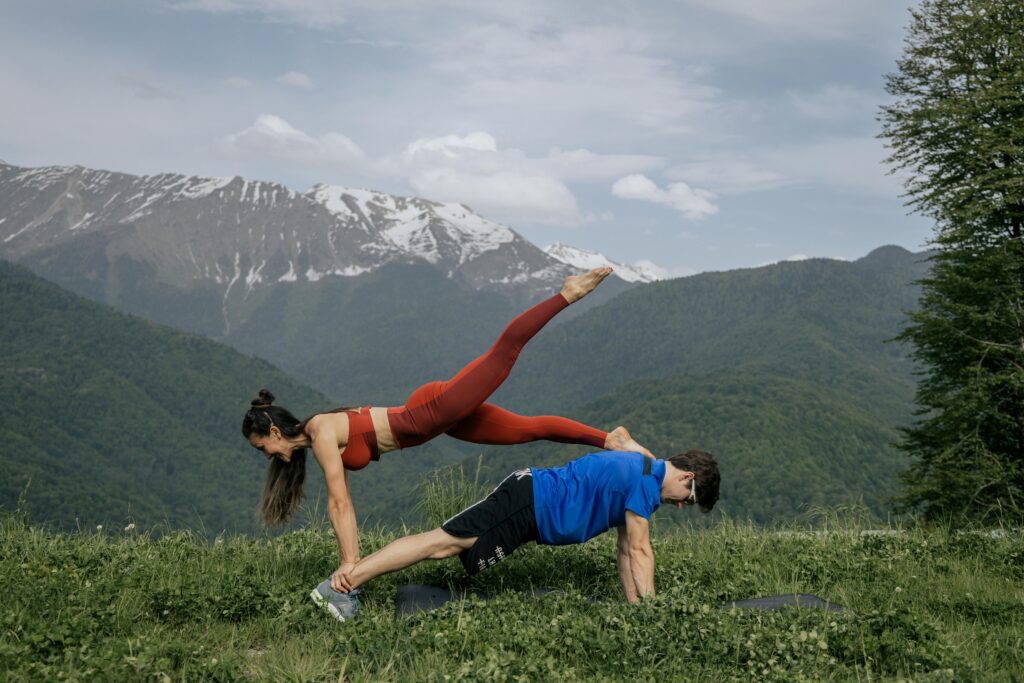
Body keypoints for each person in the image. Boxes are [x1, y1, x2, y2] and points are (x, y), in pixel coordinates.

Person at [242, 267, 654, 592]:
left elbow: (340, 503)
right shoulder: (316, 435)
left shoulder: (321, 431)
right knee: (528, 430)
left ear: (274, 431)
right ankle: (608, 438)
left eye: (263, 448)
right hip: (435, 422)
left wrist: (350, 562)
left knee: (504, 353)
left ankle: (567, 293)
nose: (268, 457)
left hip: (431, 412)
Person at [313, 449, 721, 619]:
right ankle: (343, 586)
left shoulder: (644, 472)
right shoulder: (646, 483)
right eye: (690, 494)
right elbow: (640, 551)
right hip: (528, 504)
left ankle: (346, 585)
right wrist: (654, 618)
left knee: (443, 544)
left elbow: (624, 552)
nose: (682, 503)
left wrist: (634, 609)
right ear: (686, 475)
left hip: (530, 505)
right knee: (441, 543)